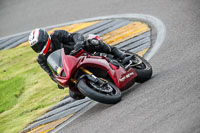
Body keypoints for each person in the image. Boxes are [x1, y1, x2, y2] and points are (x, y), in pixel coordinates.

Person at [28, 28, 129, 99]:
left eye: (39, 45)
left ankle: (120, 55)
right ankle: (96, 89)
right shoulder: (41, 59)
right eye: (36, 47)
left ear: (45, 38)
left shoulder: (57, 35)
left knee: (93, 43)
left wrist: (78, 44)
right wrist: (57, 81)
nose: (39, 48)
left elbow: (76, 35)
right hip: (70, 68)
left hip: (80, 52)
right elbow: (51, 73)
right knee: (74, 95)